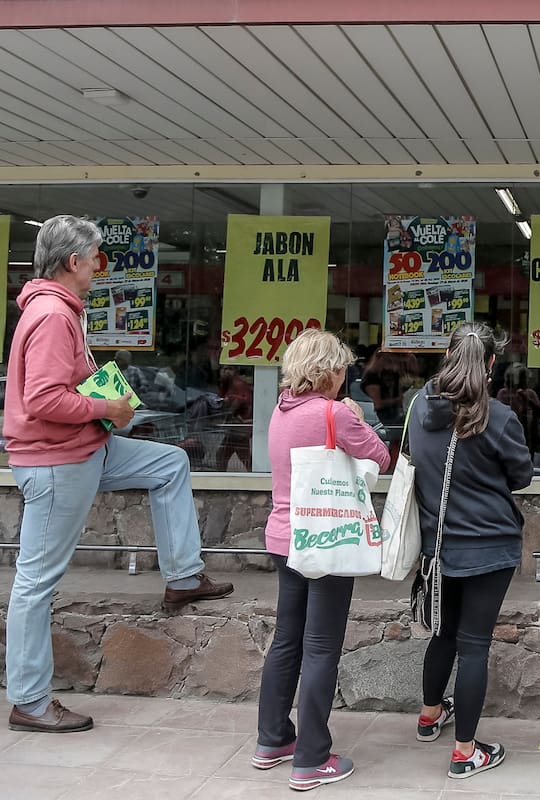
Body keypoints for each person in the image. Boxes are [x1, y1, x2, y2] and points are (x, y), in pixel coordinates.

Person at [4, 215, 233, 734]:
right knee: (35, 582)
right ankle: (30, 702)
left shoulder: (56, 309)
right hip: (58, 461)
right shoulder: (52, 315)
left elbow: (56, 387)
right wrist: (105, 404)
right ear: (73, 262)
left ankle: (184, 578)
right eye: (95, 259)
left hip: (84, 449)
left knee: (169, 463)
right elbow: (43, 399)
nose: (98, 268)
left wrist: (100, 393)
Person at [254, 328, 390, 791]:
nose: (345, 376)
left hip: (284, 539)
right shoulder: (336, 414)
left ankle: (273, 739)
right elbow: (381, 457)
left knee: (286, 640)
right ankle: (311, 759)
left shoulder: (281, 410)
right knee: (320, 648)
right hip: (326, 541)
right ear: (329, 371)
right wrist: (357, 417)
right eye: (343, 369)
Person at [409, 322, 533, 779]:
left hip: (438, 546)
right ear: (491, 363)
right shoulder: (498, 418)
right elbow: (522, 476)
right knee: (474, 646)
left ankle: (429, 716)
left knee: (443, 633)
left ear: (447, 355)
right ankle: (465, 752)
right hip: (489, 547)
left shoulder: (418, 406)